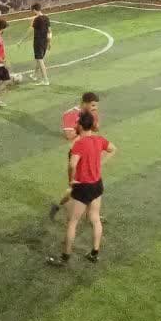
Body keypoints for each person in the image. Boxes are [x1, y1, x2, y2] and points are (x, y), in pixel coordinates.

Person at [47, 111, 115, 266]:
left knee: (72, 222)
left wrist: (71, 180)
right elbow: (113, 149)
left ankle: (64, 257)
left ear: (80, 125)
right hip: (97, 184)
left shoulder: (80, 144)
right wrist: (101, 163)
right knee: (95, 218)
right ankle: (94, 253)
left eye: (76, 123)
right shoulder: (99, 139)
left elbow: (72, 164)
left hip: (83, 186)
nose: (75, 126)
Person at [50, 91, 101, 220]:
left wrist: (92, 121)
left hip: (90, 151)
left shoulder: (92, 113)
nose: (95, 108)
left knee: (91, 183)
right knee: (77, 186)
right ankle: (60, 206)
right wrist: (84, 127)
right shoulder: (70, 114)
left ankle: (91, 213)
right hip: (77, 154)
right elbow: (68, 136)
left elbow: (96, 129)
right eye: (93, 105)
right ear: (84, 103)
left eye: (96, 105)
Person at [30, 3, 51, 85]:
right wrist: (49, 42)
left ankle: (45, 80)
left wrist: (21, 40)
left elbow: (30, 30)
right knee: (39, 59)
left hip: (38, 42)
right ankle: (34, 75)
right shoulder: (46, 17)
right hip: (45, 41)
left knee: (40, 60)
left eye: (32, 11)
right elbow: (49, 31)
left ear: (34, 10)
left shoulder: (37, 19)